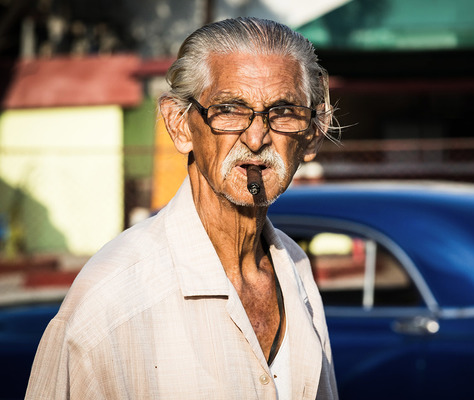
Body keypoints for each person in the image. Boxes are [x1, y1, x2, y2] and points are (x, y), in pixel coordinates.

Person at [26, 17, 338, 399]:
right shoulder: (111, 299)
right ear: (181, 125)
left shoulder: (295, 270)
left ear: (310, 137)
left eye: (284, 111)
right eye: (229, 109)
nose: (257, 137)